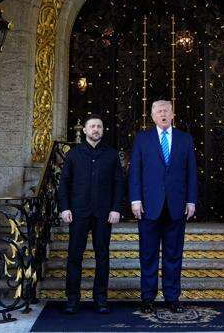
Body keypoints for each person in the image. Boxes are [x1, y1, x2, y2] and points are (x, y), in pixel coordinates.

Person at [128, 100, 197, 314]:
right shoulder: (142, 139)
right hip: (148, 206)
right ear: (152, 116)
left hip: (176, 206)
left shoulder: (185, 139)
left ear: (173, 114)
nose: (163, 113)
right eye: (159, 111)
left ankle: (172, 298)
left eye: (166, 110)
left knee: (173, 255)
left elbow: (191, 172)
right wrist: (135, 199)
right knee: (148, 255)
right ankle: (148, 298)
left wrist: (191, 200)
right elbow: (135, 171)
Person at [57, 114, 125, 314]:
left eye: (99, 126)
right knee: (74, 256)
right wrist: (65, 207)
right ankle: (72, 300)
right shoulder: (74, 154)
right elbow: (64, 183)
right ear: (85, 130)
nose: (96, 129)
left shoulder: (111, 155)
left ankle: (101, 300)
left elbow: (119, 184)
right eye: (92, 126)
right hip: (78, 212)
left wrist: (116, 208)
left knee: (102, 256)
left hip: (104, 213)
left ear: (103, 130)